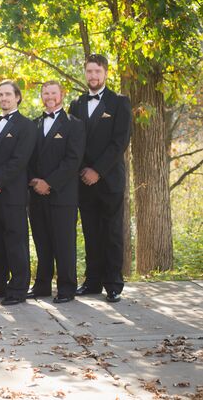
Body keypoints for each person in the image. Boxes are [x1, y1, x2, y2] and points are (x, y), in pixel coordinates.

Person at [69, 54, 131, 303]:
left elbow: (120, 142)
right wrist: (84, 169)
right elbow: (74, 142)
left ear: (105, 73)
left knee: (112, 232)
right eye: (89, 71)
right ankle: (92, 281)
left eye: (97, 71)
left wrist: (98, 170)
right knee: (91, 232)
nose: (93, 76)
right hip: (83, 180)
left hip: (109, 179)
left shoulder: (119, 102)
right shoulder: (76, 103)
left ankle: (113, 284)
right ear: (85, 73)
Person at [27, 81, 85, 303]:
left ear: (62, 94)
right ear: (41, 96)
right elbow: (27, 158)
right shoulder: (34, 124)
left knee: (64, 243)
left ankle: (67, 288)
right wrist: (34, 181)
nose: (49, 96)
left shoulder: (74, 124)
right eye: (45, 93)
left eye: (53, 92)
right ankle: (42, 286)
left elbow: (73, 160)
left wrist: (48, 183)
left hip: (62, 194)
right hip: (36, 194)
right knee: (42, 242)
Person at [0, 80, 36, 306]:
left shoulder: (27, 126)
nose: (4, 98)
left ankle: (18, 289)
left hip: (12, 194)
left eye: (8, 95)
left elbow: (20, 160)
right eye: (0, 95)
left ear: (17, 97)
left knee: (16, 242)